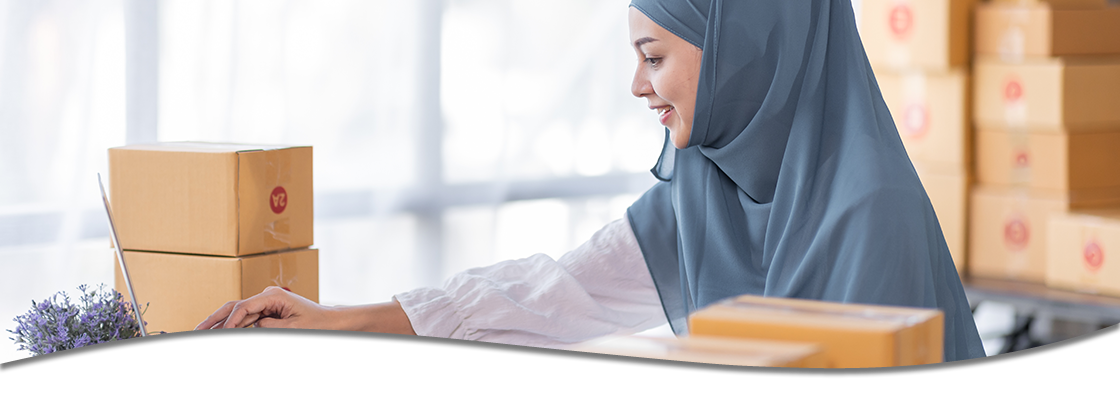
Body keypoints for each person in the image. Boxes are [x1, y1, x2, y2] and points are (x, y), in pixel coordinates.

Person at [195, 0, 987, 367]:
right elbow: (556, 292)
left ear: (748, 49)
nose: (638, 87)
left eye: (653, 56)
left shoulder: (869, 215)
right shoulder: (709, 188)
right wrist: (341, 320)